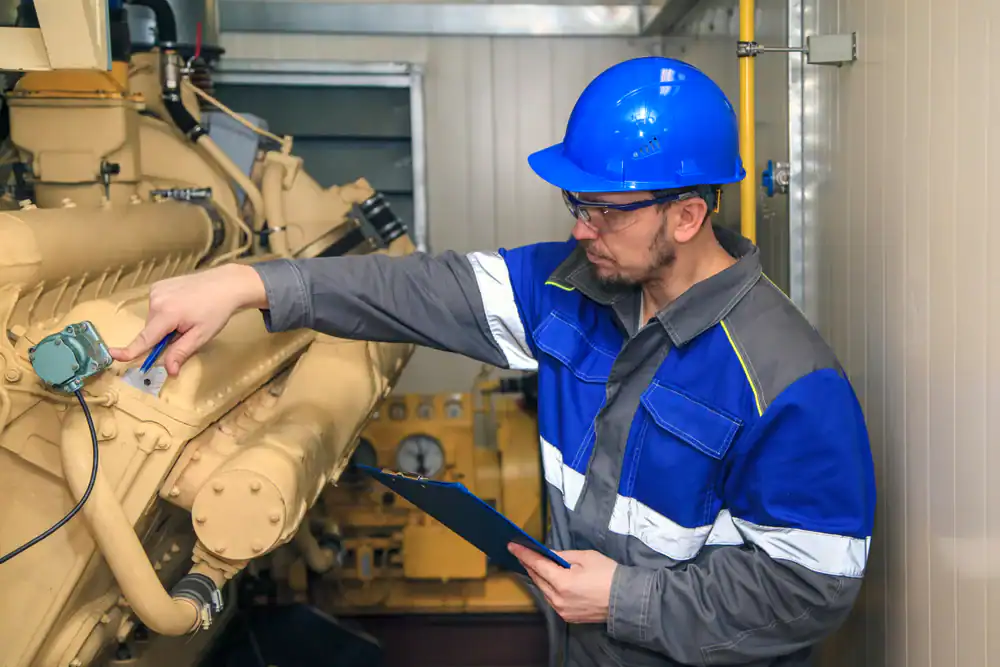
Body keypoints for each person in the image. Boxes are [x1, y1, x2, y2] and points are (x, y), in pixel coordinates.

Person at [111, 56, 875, 667]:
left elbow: (811, 590)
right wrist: (250, 283)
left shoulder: (788, 379)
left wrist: (627, 601)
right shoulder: (571, 290)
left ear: (686, 213)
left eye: (604, 210)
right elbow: (418, 289)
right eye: (575, 204)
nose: (581, 229)